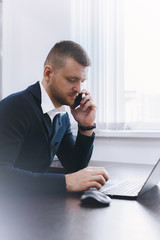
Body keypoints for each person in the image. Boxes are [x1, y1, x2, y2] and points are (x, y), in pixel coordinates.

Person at [0, 40, 108, 194]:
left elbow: (75, 167)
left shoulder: (61, 116)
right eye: (72, 80)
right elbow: (2, 176)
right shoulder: (15, 107)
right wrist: (65, 182)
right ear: (48, 73)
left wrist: (86, 126)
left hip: (35, 204)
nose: (79, 88)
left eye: (82, 81)